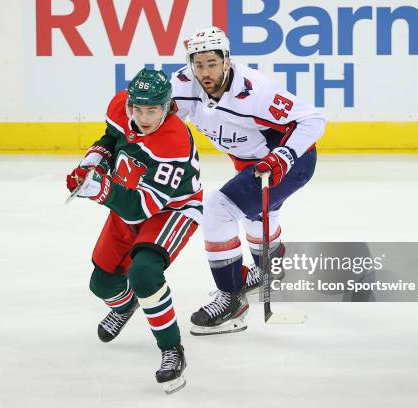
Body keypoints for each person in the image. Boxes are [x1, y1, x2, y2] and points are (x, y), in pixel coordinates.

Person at [170, 27, 326, 336]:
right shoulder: (185, 83)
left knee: (218, 207)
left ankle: (231, 300)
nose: (205, 72)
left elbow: (313, 120)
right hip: (251, 162)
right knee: (256, 215)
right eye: (198, 64)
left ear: (227, 60)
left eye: (212, 63)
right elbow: (165, 121)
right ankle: (271, 267)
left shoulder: (256, 91)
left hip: (289, 163)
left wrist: (283, 156)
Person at [66, 68, 202, 394]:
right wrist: (92, 166)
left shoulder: (173, 141)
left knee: (144, 272)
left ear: (167, 106)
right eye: (137, 109)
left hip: (169, 210)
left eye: (151, 110)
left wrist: (100, 190)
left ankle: (172, 348)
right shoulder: (122, 108)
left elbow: (141, 208)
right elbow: (111, 139)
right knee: (102, 283)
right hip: (126, 195)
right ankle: (126, 305)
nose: (142, 117)